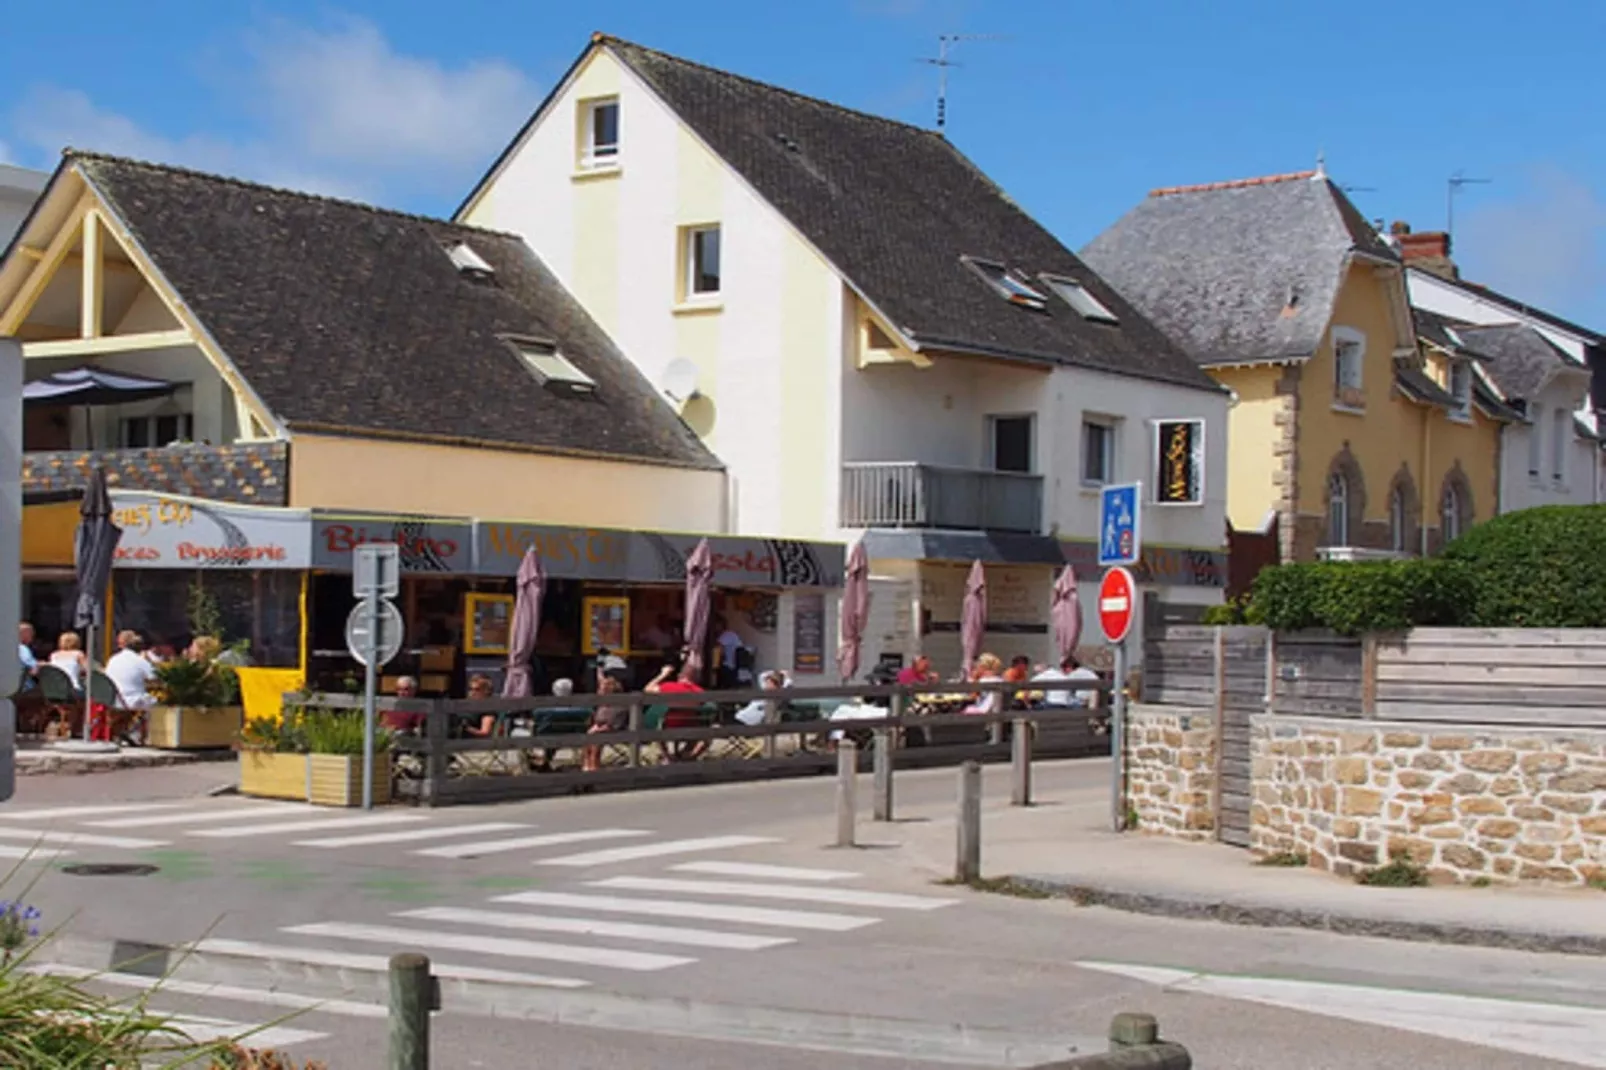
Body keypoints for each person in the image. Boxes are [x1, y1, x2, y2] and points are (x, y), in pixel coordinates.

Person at [647, 663, 707, 761]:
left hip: (669, 727)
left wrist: (663, 674)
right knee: (703, 726)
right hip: (691, 728)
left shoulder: (669, 686)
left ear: (679, 676)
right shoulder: (699, 691)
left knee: (658, 726)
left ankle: (668, 757)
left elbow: (648, 689)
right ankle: (687, 756)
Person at [583, 676, 628, 772]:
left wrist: (598, 729)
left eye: (601, 688)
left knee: (596, 737)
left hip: (615, 729)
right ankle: (587, 763)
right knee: (589, 735)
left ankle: (594, 764)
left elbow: (614, 723)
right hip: (600, 728)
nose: (598, 690)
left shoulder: (618, 705)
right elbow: (597, 720)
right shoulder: (602, 704)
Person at [105, 631, 158, 710]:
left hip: (115, 702)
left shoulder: (112, 659)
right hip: (134, 702)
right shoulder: (140, 660)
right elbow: (155, 677)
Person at [1032, 656, 1101, 708]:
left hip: (1086, 699)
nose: (1062, 669)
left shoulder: (1075, 673)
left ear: (1070, 666)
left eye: (1064, 667)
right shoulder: (1084, 671)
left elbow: (1063, 681)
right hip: (1095, 697)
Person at [459, 674, 499, 738]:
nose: (472, 693)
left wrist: (465, 727)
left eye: (477, 690)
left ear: (486, 691)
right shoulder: (465, 706)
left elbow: (484, 732)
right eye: (470, 689)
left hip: (469, 743)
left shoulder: (488, 710)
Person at [16, 622, 38, 692]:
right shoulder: (22, 648)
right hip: (25, 689)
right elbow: (34, 669)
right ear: (24, 634)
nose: (33, 635)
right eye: (31, 633)